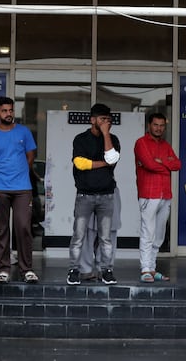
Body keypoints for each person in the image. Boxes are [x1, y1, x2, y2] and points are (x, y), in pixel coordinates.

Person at [0, 96, 39, 283]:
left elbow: (31, 155)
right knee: (2, 228)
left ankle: (26, 269)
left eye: (11, 110)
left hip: (22, 188)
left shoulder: (24, 132)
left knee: (23, 227)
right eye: (4, 111)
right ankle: (3, 269)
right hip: (0, 188)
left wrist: (20, 171)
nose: (9, 114)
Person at [66, 103, 120, 286]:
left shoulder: (113, 139)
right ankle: (74, 270)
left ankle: (106, 271)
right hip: (84, 195)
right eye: (102, 119)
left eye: (108, 120)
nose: (106, 122)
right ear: (92, 120)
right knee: (79, 236)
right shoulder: (80, 139)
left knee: (105, 237)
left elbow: (112, 160)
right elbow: (80, 163)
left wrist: (105, 134)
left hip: (106, 195)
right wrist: (103, 163)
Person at [134, 112, 181, 283]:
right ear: (149, 125)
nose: (159, 128)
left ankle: (152, 268)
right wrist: (164, 164)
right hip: (148, 193)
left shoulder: (166, 145)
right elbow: (149, 164)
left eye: (162, 125)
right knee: (148, 232)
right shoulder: (141, 143)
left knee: (159, 235)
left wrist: (162, 162)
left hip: (165, 194)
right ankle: (145, 269)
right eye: (156, 125)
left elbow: (178, 164)